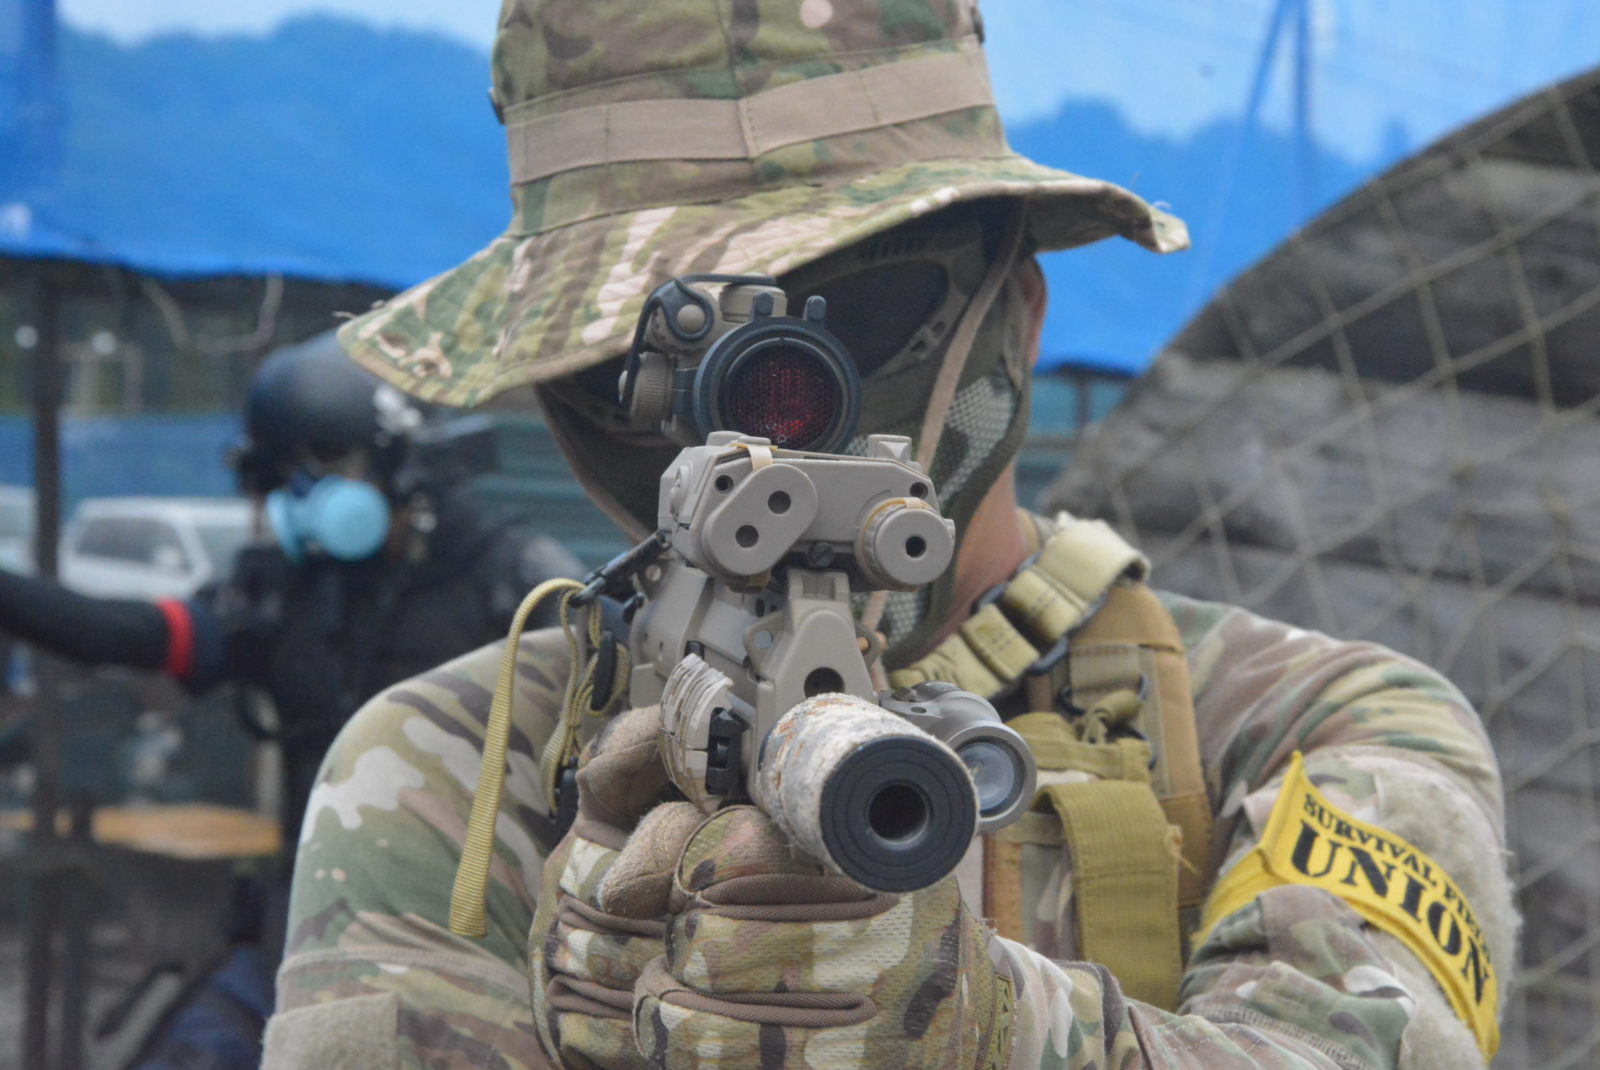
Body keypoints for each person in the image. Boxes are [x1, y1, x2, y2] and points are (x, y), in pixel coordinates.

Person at [264, 5, 1516, 1069]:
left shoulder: (1303, 727)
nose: (753, 425)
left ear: (1018, 312)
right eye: (641, 359)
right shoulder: (446, 763)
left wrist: (983, 1028)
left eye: (844, 319)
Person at [0, 331, 583, 836]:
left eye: (330, 460)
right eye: (289, 471)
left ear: (401, 463)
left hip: (477, 898)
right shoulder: (285, 590)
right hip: (320, 896)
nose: (307, 492)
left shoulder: (509, 578)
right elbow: (134, 634)